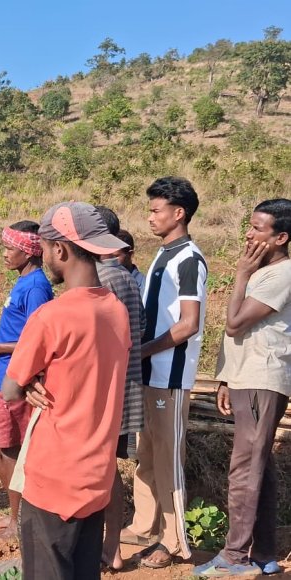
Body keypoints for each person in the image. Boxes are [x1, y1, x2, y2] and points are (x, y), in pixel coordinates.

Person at [1, 201, 131, 580]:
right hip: (96, 474)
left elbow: (10, 389)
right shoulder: (115, 309)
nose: (44, 257)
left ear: (59, 249)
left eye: (44, 249)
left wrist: (30, 382)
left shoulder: (52, 316)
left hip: (54, 477)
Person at [194, 199, 291, 578]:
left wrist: (240, 274)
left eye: (257, 228)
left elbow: (235, 324)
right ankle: (263, 553)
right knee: (259, 466)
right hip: (247, 376)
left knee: (245, 468)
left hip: (262, 378)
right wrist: (226, 377)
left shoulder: (281, 274)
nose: (248, 234)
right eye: (249, 226)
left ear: (281, 237)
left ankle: (235, 555)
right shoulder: (265, 272)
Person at [122, 176, 207, 569]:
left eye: (156, 210)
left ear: (179, 213)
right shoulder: (163, 254)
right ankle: (145, 526)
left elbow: (188, 323)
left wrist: (143, 349)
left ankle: (174, 542)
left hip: (169, 377)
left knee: (169, 461)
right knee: (146, 456)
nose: (150, 217)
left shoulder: (189, 260)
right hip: (149, 374)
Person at [0, 220, 52, 541]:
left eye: (10, 248)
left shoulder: (36, 287)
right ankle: (16, 513)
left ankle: (19, 522)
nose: (4, 254)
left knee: (8, 450)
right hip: (4, 377)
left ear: (29, 252)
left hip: (16, 381)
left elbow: (39, 341)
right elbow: (22, 332)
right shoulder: (24, 281)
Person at [93, 206, 146, 571]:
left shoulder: (101, 279)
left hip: (102, 391)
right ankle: (111, 546)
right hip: (122, 387)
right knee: (108, 468)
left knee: (98, 468)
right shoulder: (124, 276)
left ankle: (99, 545)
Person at [115, 229, 146, 296]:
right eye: (108, 256)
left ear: (130, 254)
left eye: (115, 256)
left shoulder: (144, 286)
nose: (110, 261)